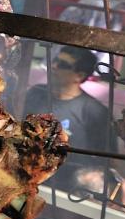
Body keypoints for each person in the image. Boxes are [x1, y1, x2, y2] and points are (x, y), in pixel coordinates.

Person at [24, 46, 118, 192]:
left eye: (63, 65)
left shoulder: (95, 112)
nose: (54, 66)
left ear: (79, 76)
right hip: (26, 175)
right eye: (55, 60)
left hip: (68, 189)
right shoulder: (36, 93)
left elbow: (108, 161)